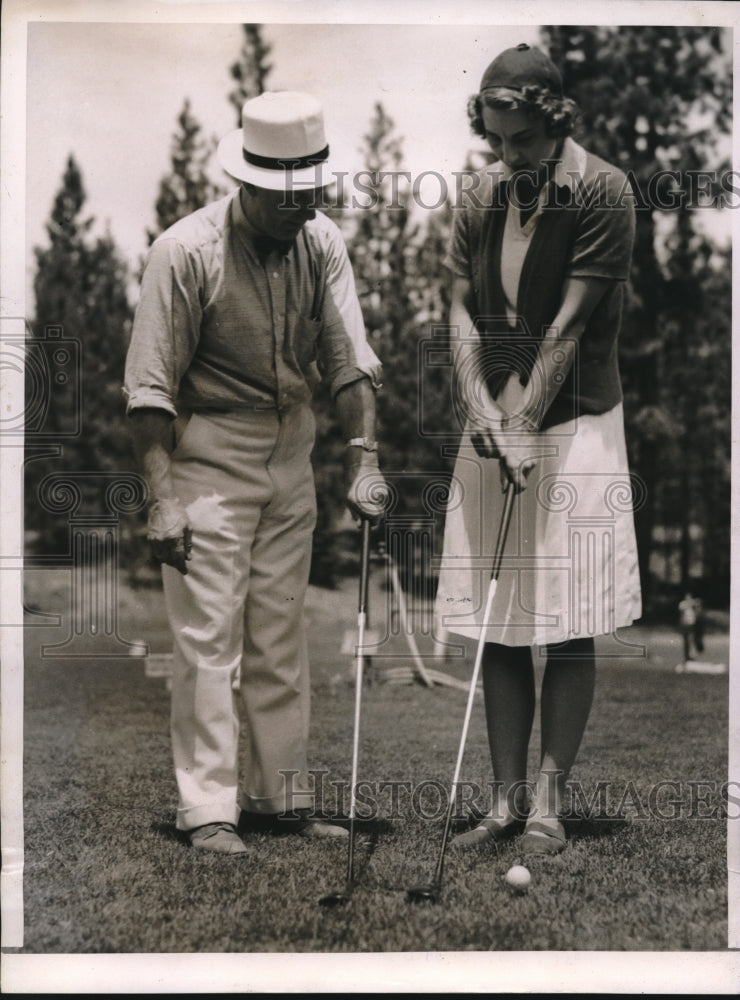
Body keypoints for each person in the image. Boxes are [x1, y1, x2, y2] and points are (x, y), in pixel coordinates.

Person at [124, 91, 388, 855]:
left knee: (280, 634)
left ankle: (280, 802)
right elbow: (149, 387)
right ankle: (208, 809)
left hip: (292, 451)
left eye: (312, 198)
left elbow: (349, 360)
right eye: (287, 200)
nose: (302, 213)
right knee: (209, 637)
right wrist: (161, 498)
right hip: (208, 454)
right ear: (248, 182)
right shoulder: (184, 251)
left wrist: (364, 458)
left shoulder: (322, 241)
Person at [433, 44, 642, 856]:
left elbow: (571, 327)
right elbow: (456, 308)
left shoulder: (603, 190)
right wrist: (477, 402)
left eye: (520, 140)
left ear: (553, 120)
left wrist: (525, 427)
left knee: (566, 619)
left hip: (577, 424)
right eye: (494, 138)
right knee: (500, 624)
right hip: (494, 422)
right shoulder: (482, 191)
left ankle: (550, 800)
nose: (506, 156)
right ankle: (502, 803)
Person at [678, 591, 704, 662]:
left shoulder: (692, 607)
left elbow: (699, 605)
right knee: (686, 642)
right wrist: (693, 602)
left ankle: (691, 656)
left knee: (691, 641)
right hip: (685, 626)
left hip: (692, 626)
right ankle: (687, 656)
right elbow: (682, 608)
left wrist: (695, 603)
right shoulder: (682, 604)